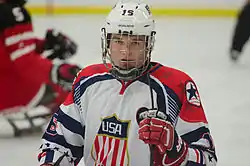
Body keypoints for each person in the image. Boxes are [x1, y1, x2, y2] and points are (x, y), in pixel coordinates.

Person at [38, 0, 217, 165]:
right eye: (118, 41)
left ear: (149, 44)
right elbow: (58, 142)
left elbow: (207, 160)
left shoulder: (176, 86)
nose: (125, 51)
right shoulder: (88, 81)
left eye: (136, 42)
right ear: (107, 42)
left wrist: (177, 149)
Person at [0, 0, 81, 137]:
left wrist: (44, 45)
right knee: (74, 86)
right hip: (9, 92)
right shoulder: (11, 12)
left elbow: (7, 52)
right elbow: (25, 64)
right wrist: (57, 71)